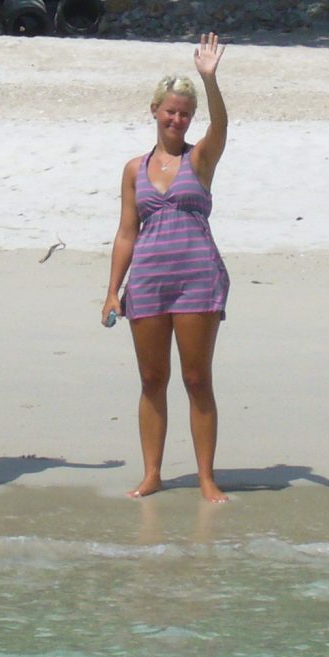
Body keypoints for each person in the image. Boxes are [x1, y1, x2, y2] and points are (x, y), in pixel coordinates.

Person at [101, 35, 231, 502]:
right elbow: (126, 232)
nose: (176, 119)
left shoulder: (200, 158)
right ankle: (152, 474)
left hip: (198, 282)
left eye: (184, 113)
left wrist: (208, 79)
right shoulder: (134, 168)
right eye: (170, 111)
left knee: (198, 380)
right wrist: (113, 290)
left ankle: (206, 478)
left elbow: (221, 125)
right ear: (155, 110)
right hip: (149, 285)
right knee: (152, 380)